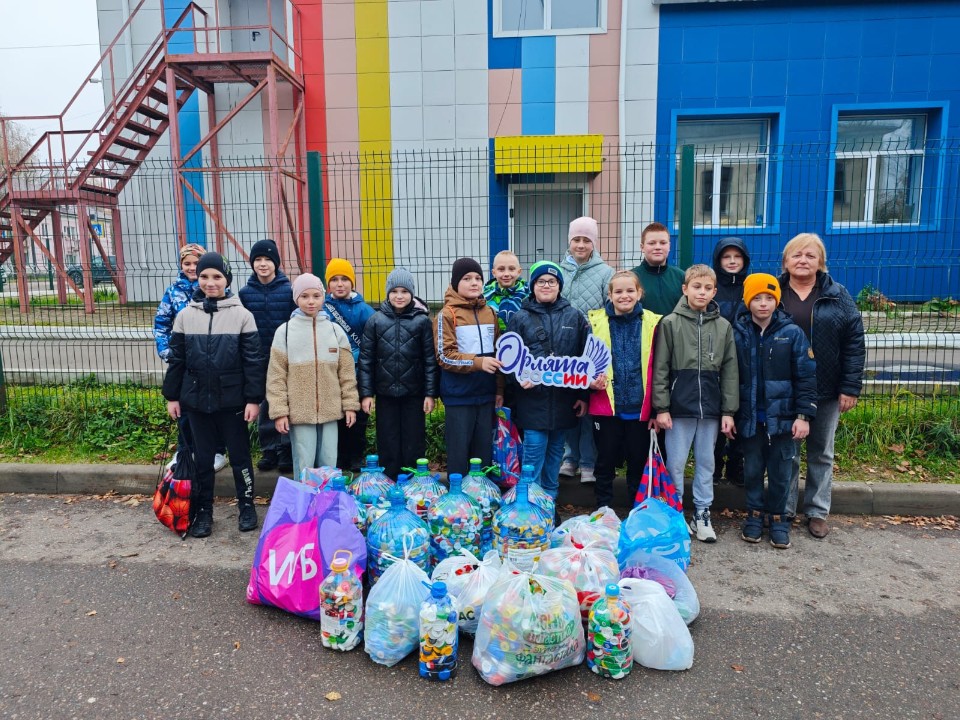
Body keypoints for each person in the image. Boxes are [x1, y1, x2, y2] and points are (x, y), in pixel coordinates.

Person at [162, 252, 263, 538]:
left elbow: (253, 361)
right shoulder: (185, 315)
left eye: (217, 277)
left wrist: (253, 399)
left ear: (227, 280)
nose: (210, 282)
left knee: (241, 457)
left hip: (233, 402)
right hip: (196, 402)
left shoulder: (242, 315)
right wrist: (173, 396)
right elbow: (177, 360)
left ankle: (247, 505)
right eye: (205, 276)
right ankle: (204, 510)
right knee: (203, 459)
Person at [780, 233, 865, 539]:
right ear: (786, 261)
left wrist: (850, 387)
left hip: (826, 388)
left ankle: (817, 511)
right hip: (785, 388)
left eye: (810, 256)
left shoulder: (838, 295)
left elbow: (854, 343)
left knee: (821, 452)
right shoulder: (773, 293)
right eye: (797, 255)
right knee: (786, 451)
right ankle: (784, 508)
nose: (803, 260)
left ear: (821, 262)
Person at [652, 264, 738, 543]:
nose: (702, 292)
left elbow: (730, 370)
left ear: (715, 291)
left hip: (711, 410)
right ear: (685, 289)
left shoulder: (724, 327)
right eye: (696, 287)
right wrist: (661, 407)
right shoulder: (670, 323)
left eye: (707, 288)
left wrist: (728, 411)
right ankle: (675, 512)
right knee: (675, 463)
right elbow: (661, 368)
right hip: (679, 409)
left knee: (706, 462)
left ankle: (702, 513)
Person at [733, 274, 817, 549]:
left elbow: (805, 378)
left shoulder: (792, 333)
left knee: (781, 472)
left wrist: (803, 416)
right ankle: (755, 515)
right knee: (753, 470)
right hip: (750, 419)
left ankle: (779, 519)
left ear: (777, 301)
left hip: (783, 420)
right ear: (748, 301)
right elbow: (729, 377)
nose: (763, 303)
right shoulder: (738, 333)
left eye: (769, 298)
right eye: (757, 298)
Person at [506, 261, 593, 501]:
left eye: (552, 281)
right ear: (533, 285)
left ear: (559, 286)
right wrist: (519, 379)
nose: (546, 285)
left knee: (555, 455)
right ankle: (529, 508)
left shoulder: (574, 317)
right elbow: (508, 359)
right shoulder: (520, 318)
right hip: (532, 402)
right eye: (541, 281)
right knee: (533, 455)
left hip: (564, 401)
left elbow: (585, 358)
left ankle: (549, 505)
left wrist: (583, 396)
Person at [266, 274, 360, 483]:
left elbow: (346, 373)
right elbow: (276, 376)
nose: (311, 301)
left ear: (323, 297)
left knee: (329, 462)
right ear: (296, 299)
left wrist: (350, 405)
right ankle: (306, 506)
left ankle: (327, 508)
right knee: (304, 463)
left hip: (330, 409)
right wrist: (280, 411)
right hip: (300, 412)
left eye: (316, 296)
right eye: (305, 296)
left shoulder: (335, 331)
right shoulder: (286, 332)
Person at [587, 271, 662, 509]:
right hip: (607, 406)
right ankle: (603, 509)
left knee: (637, 463)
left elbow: (661, 368)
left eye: (630, 290)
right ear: (609, 295)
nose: (624, 296)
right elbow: (584, 363)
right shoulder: (595, 323)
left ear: (640, 293)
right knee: (605, 461)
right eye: (618, 291)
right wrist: (589, 382)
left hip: (640, 408)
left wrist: (657, 409)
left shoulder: (654, 323)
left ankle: (637, 510)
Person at [358, 267, 439, 480]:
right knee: (388, 440)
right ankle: (390, 482)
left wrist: (430, 394)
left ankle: (415, 483)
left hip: (414, 394)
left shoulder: (422, 321)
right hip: (385, 395)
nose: (399, 296)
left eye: (404, 291)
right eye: (394, 291)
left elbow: (430, 360)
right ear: (388, 294)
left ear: (412, 293)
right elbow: (366, 360)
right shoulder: (375, 321)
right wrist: (367, 394)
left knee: (414, 440)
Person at [154, 243, 227, 474]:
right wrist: (168, 352)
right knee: (185, 407)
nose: (192, 268)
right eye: (187, 263)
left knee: (215, 406)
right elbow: (162, 323)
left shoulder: (214, 288)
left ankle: (217, 451)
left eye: (197, 263)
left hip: (213, 362)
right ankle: (185, 450)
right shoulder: (173, 291)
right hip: (184, 363)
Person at [435, 257, 503, 477]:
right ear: (456, 283)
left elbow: (498, 354)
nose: (474, 282)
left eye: (478, 278)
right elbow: (445, 356)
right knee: (459, 454)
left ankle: (482, 498)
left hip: (485, 395)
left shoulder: (490, 313)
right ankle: (458, 503)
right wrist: (478, 362)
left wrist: (499, 390)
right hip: (459, 396)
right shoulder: (446, 315)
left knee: (483, 454)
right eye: (467, 278)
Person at [558, 216, 614, 484]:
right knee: (570, 403)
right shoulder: (559, 271)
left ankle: (588, 462)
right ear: (569, 242)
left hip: (592, 350)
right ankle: (570, 457)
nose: (581, 245)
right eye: (576, 240)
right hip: (565, 348)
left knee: (590, 406)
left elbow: (609, 310)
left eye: (586, 240)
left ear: (594, 243)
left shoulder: (605, 273)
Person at [238, 239, 295, 473]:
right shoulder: (245, 294)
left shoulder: (288, 291)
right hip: (257, 357)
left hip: (284, 357)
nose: (263, 264)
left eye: (267, 260)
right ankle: (269, 450)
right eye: (258, 260)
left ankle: (286, 450)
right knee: (264, 403)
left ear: (276, 264)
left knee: (283, 401)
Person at [324, 258, 375, 471]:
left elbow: (372, 340)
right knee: (335, 415)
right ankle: (339, 456)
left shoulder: (363, 310)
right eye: (334, 279)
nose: (340, 284)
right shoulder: (323, 308)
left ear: (352, 282)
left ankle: (356, 456)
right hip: (331, 371)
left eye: (344, 279)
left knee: (357, 417)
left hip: (357, 371)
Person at [711, 237, 751, 486]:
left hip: (746, 360)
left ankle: (736, 465)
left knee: (741, 415)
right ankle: (714, 467)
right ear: (718, 260)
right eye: (727, 257)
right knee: (716, 419)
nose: (732, 261)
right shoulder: (712, 287)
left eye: (737, 257)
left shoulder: (750, 286)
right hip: (716, 362)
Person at [631, 222, 685, 316]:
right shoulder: (632, 277)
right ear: (642, 247)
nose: (657, 247)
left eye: (663, 243)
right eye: (652, 243)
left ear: (669, 246)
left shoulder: (681, 277)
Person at [483, 250, 530, 333]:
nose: (506, 274)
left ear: (519, 272)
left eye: (511, 269)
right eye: (501, 269)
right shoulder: (486, 296)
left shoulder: (528, 294)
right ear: (494, 273)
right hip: (493, 342)